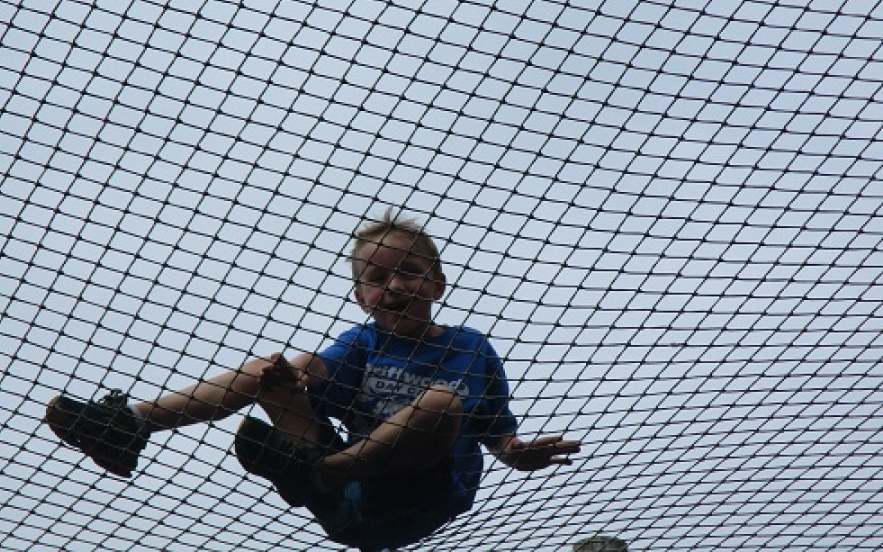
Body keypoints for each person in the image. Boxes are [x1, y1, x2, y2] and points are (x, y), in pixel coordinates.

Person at [46, 210, 580, 551]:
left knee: (440, 403)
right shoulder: (362, 343)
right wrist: (293, 373)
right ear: (361, 298)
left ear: (437, 284)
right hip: (346, 499)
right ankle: (128, 426)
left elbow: (497, 433)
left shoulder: (470, 349)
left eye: (408, 272)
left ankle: (321, 472)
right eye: (377, 279)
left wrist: (518, 453)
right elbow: (316, 370)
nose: (394, 286)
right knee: (269, 370)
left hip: (416, 494)